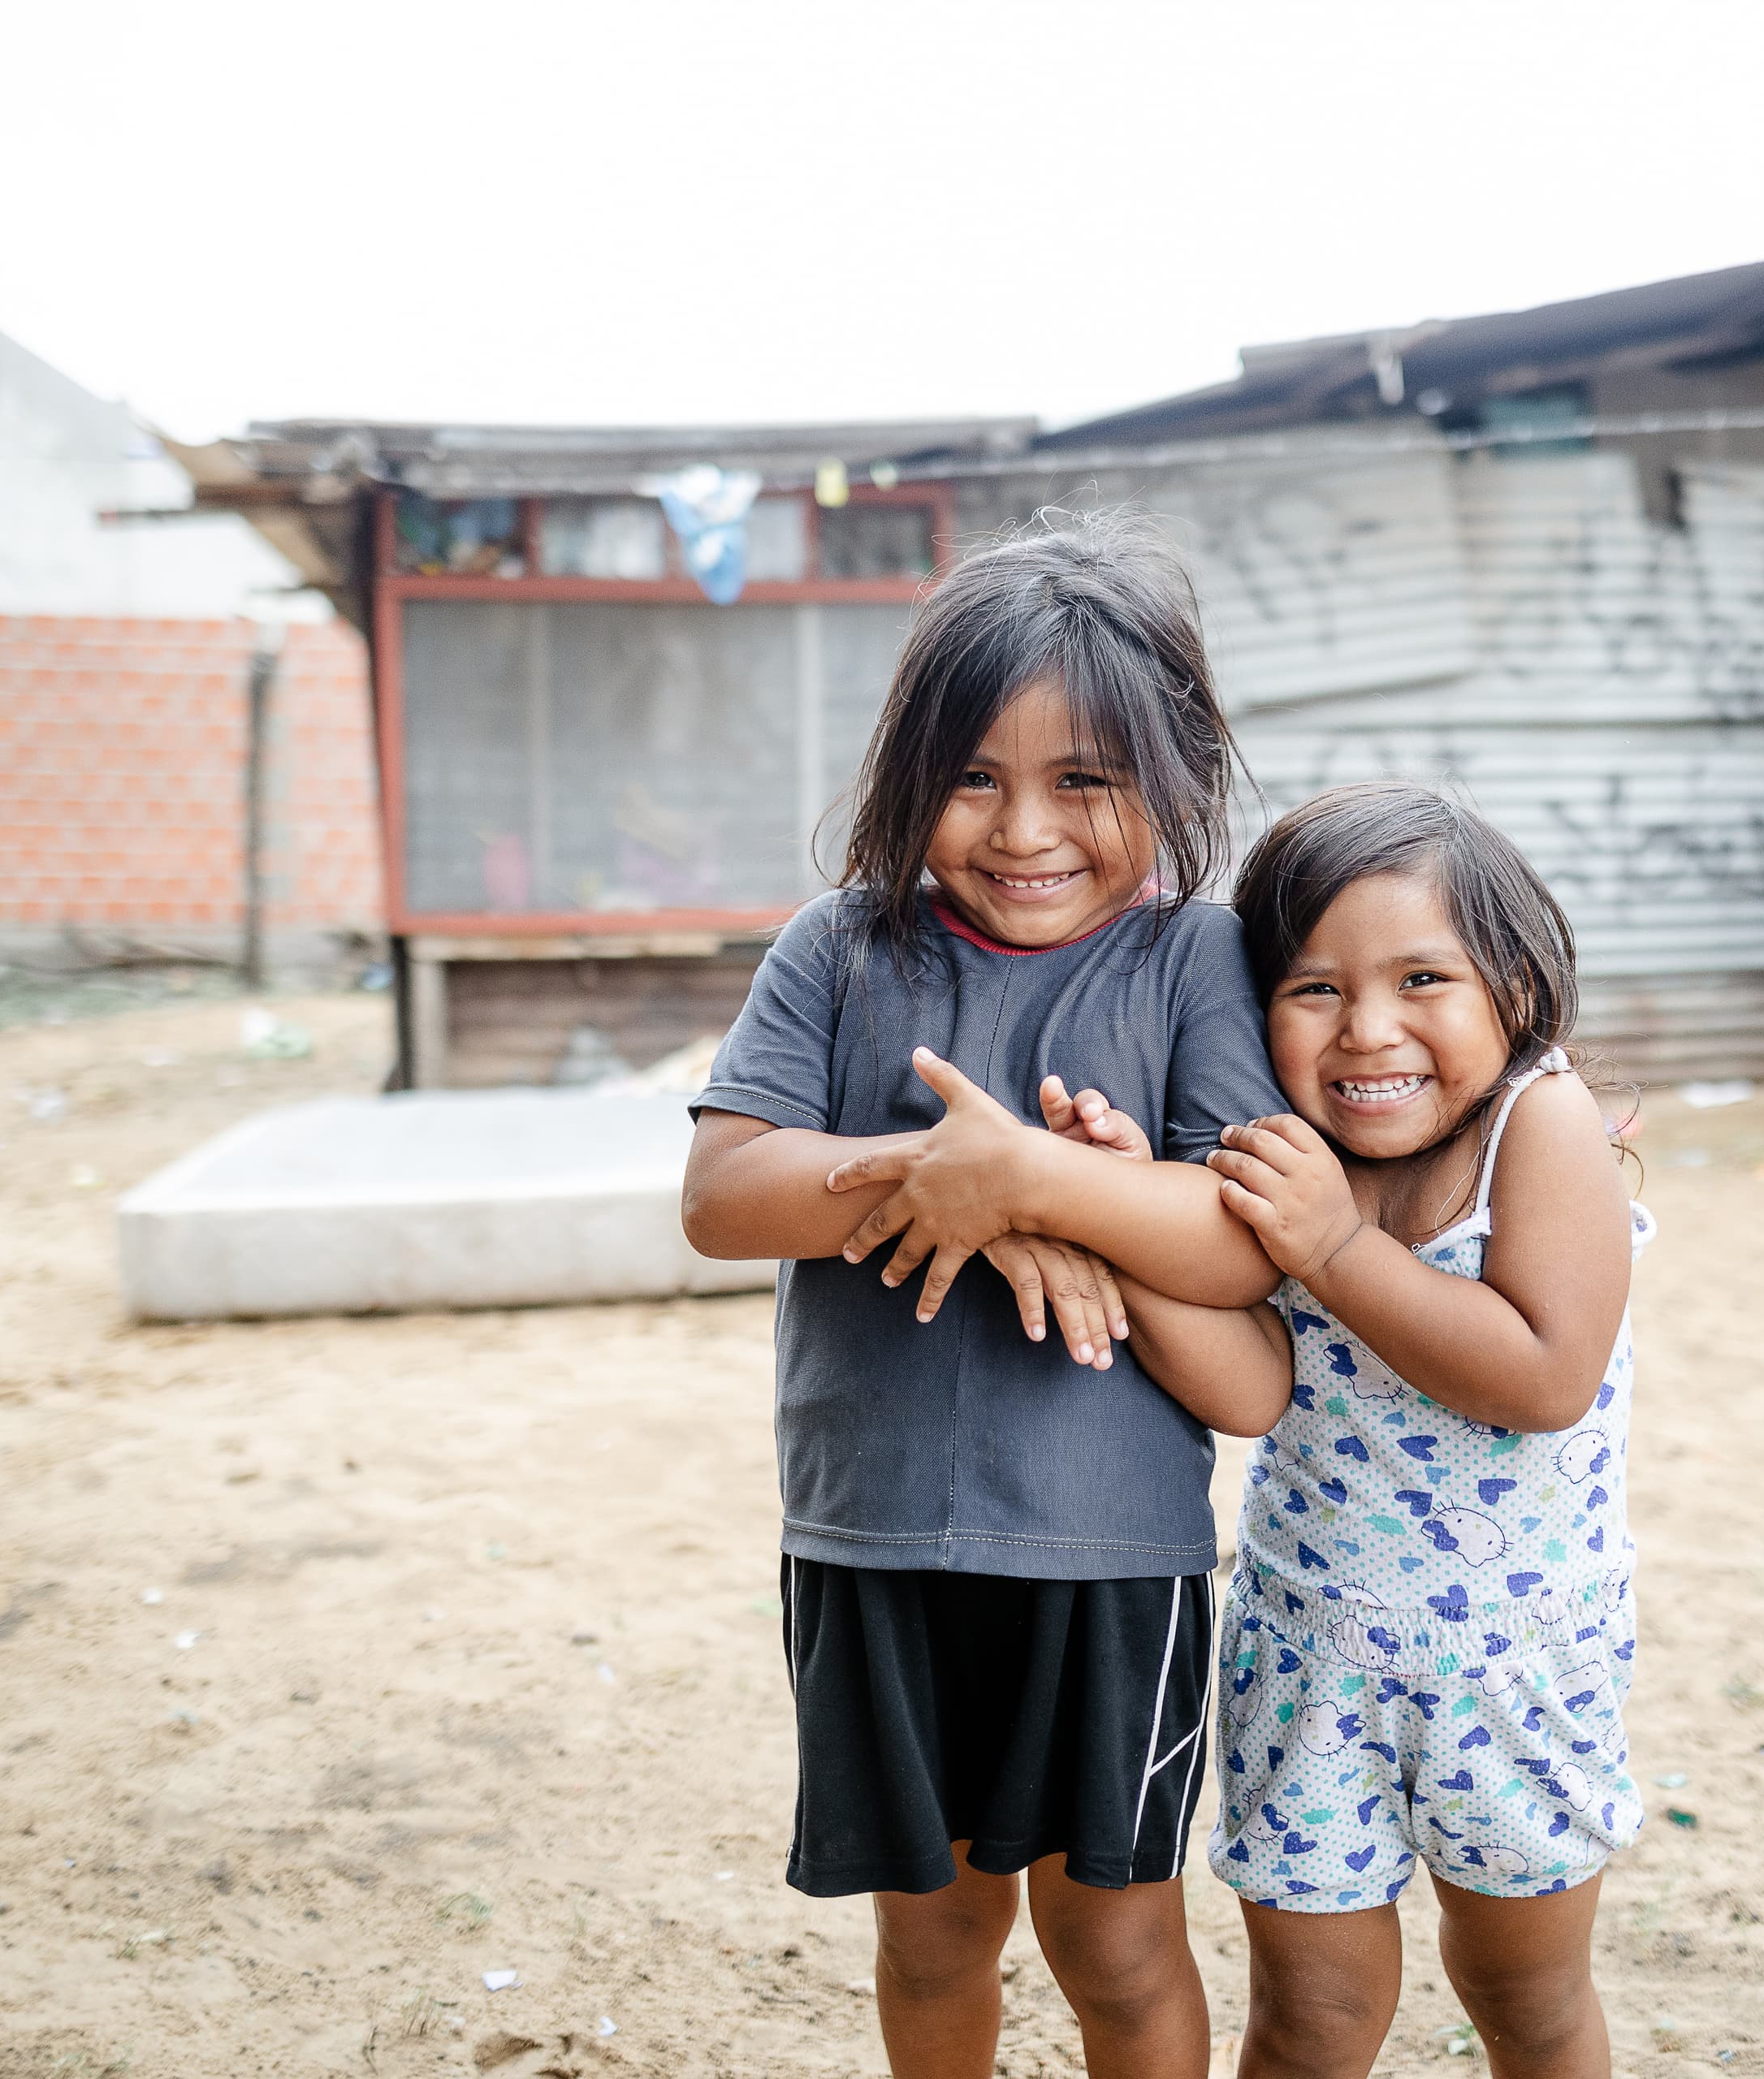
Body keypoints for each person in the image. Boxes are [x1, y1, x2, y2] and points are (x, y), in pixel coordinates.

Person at [680, 510, 1289, 2079]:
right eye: (974, 777)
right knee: (934, 1929)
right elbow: (723, 1195)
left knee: (1120, 1941)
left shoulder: (1193, 962)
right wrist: (938, 1176)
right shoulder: (842, 949)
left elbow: (1236, 1245)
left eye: (1085, 780)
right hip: (872, 1536)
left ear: (1174, 778)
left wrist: (1032, 1182)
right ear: (907, 772)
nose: (1026, 830)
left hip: (1112, 1557)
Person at [1061, 781, 1652, 2079]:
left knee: (1528, 2001)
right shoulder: (1281, 1153)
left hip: (1518, 1668)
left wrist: (1331, 1246)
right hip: (1312, 1656)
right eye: (1313, 988)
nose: (1369, 1028)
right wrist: (1117, 1211)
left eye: (1424, 977)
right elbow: (1248, 1381)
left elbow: (1544, 1375)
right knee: (1313, 2021)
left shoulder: (1536, 1127)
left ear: (1515, 984)